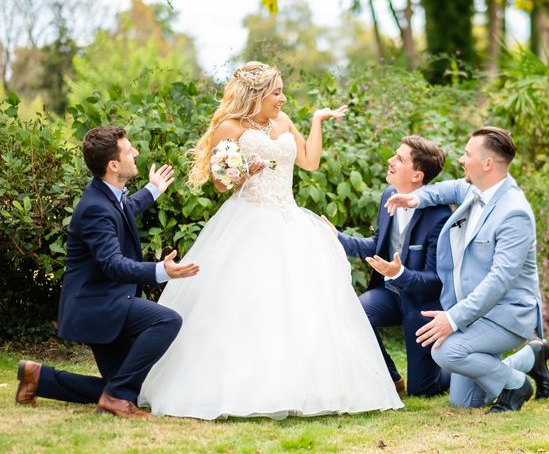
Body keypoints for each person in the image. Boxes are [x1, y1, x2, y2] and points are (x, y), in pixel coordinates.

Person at [138, 61, 403, 419]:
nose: (282, 98)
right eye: (276, 92)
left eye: (281, 91)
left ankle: (305, 386)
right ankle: (239, 384)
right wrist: (244, 172)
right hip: (247, 220)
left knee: (302, 303)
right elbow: (220, 184)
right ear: (257, 93)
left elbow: (309, 161)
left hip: (290, 220)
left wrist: (317, 122)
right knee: (247, 301)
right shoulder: (228, 128)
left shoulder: (283, 121)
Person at [15, 126, 200, 419]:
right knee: (167, 320)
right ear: (113, 165)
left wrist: (153, 190)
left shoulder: (105, 195)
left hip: (103, 302)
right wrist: (160, 270)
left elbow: (124, 209)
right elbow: (112, 264)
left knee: (123, 386)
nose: (136, 152)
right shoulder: (95, 208)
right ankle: (116, 399)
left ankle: (39, 378)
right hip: (98, 306)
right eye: (129, 151)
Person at [385, 126, 549, 412]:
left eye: (467, 154)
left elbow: (498, 282)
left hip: (505, 315)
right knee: (463, 402)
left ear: (487, 164)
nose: (462, 160)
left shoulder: (514, 212)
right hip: (476, 314)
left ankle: (516, 385)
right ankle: (529, 359)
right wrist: (417, 198)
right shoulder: (475, 189)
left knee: (446, 351)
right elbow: (448, 188)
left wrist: (452, 319)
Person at [324, 136, 451, 397]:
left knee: (422, 390)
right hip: (389, 296)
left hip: (422, 306)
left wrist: (400, 273)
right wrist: (336, 237)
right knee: (353, 313)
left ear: (417, 175)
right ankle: (392, 378)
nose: (390, 161)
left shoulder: (440, 216)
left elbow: (436, 279)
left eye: (400, 159)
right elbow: (378, 246)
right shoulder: (389, 195)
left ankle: (460, 368)